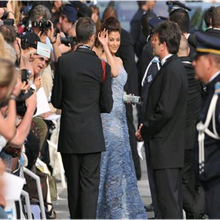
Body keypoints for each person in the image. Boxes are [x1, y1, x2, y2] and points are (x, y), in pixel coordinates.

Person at [51, 17, 113, 220]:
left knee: (74, 187)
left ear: (76, 36)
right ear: (94, 37)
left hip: (70, 134)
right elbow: (107, 105)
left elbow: (57, 100)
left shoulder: (64, 62)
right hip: (92, 135)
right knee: (89, 188)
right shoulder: (102, 66)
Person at [136, 21, 188, 219]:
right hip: (164, 149)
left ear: (164, 44)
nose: (152, 43)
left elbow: (164, 111)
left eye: (155, 40)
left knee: (169, 206)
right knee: (164, 205)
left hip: (166, 149)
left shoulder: (172, 70)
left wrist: (145, 129)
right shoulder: (169, 68)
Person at [96, 17, 147, 219]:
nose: (115, 44)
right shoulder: (101, 59)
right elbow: (114, 74)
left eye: (118, 40)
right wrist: (104, 48)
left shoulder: (119, 59)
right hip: (107, 120)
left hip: (120, 118)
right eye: (112, 39)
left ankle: (121, 210)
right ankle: (105, 211)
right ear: (104, 38)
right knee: (108, 168)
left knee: (122, 169)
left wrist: (129, 98)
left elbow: (118, 87)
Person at [192, 32, 220, 219]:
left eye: (198, 58)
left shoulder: (218, 96)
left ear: (209, 62)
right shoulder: (212, 90)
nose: (193, 63)